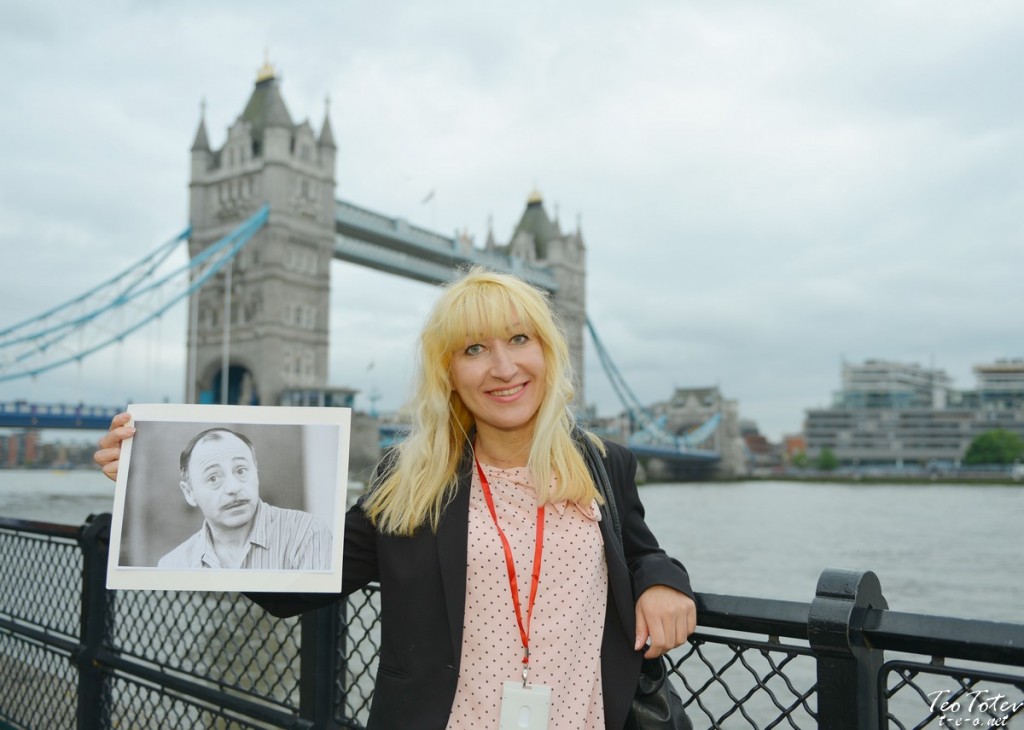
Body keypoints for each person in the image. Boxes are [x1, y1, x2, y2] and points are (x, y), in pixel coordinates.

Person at [96, 267, 697, 728]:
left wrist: (665, 581)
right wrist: (139, 471)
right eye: (473, 349)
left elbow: (641, 551)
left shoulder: (602, 461)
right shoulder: (411, 481)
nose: (503, 367)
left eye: (519, 339)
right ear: (449, 373)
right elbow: (293, 586)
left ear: (547, 350)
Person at [105, 425, 332, 570]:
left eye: (241, 471)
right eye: (213, 478)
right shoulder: (173, 564)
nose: (233, 488)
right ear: (189, 493)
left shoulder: (309, 535)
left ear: (257, 473)